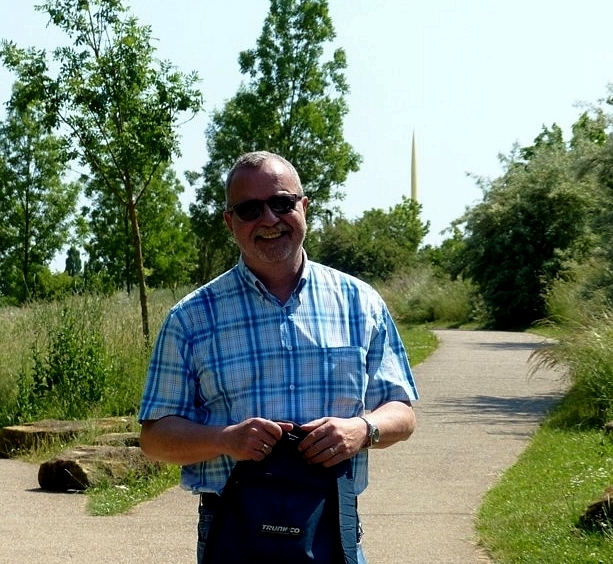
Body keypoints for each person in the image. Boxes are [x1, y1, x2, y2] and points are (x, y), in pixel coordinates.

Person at [138, 150, 418, 563]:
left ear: (304, 208)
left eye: (282, 203)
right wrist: (226, 439)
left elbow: (402, 411)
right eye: (250, 209)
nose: (269, 219)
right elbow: (155, 437)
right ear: (230, 222)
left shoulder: (360, 303)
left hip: (332, 526)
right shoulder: (191, 318)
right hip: (234, 533)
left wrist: (363, 429)